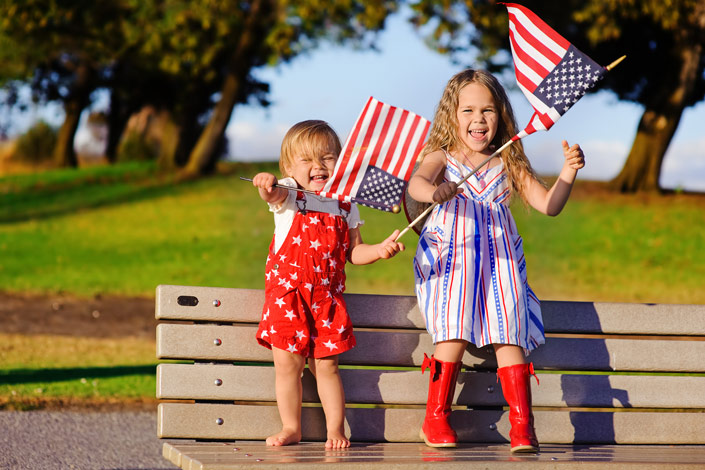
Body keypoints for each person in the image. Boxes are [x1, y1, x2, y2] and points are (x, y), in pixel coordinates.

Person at [407, 69, 585, 453]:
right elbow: (416, 184)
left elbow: (547, 205)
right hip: (454, 257)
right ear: (451, 115)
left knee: (509, 333)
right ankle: (435, 417)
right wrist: (435, 191)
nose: (478, 119)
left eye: (488, 110)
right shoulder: (444, 157)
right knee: (453, 329)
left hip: (499, 261)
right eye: (468, 110)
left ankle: (523, 424)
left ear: (501, 115)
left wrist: (568, 171)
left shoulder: (508, 162)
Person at [251, 120, 405, 449]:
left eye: (328, 157)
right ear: (288, 168)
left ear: (341, 162)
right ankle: (291, 426)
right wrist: (266, 185)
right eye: (307, 159)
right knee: (288, 365)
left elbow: (354, 252)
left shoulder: (345, 202)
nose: (318, 166)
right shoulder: (289, 194)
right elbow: (272, 194)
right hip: (288, 296)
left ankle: (336, 429)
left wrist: (378, 251)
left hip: (326, 300)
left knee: (328, 366)